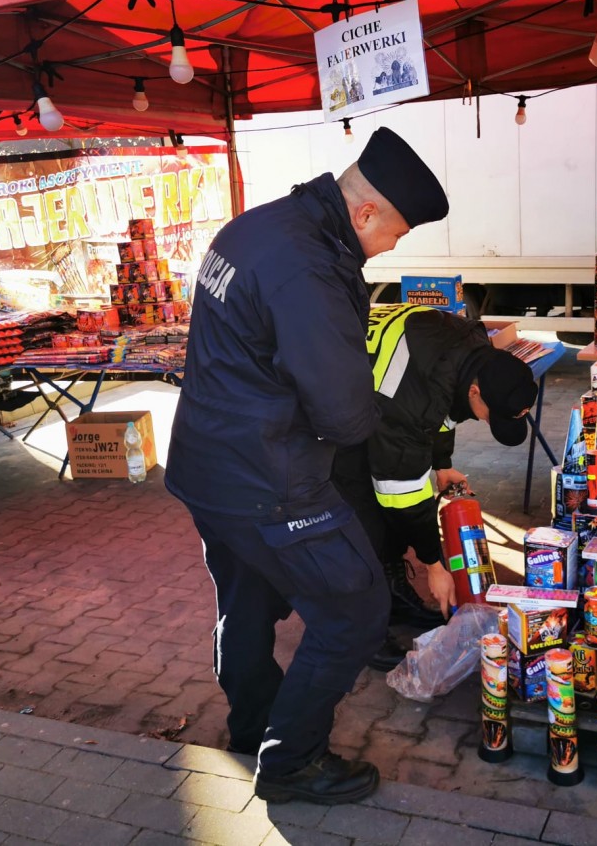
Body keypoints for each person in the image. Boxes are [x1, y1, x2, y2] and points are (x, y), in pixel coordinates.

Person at [165, 128, 448, 806]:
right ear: (365, 213)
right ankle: (290, 761)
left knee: (246, 604)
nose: (393, 248)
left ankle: (253, 727)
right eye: (397, 234)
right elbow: (346, 417)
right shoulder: (310, 269)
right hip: (269, 477)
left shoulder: (260, 226)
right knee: (356, 609)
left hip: (208, 465)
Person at [332, 305, 539, 664]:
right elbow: (402, 493)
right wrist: (433, 565)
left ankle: (393, 596)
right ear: (475, 390)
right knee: (364, 522)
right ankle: (361, 631)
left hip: (376, 401)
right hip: (331, 414)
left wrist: (442, 464)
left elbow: (445, 409)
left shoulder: (470, 353)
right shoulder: (412, 396)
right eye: (491, 416)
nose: (487, 422)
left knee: (389, 514)